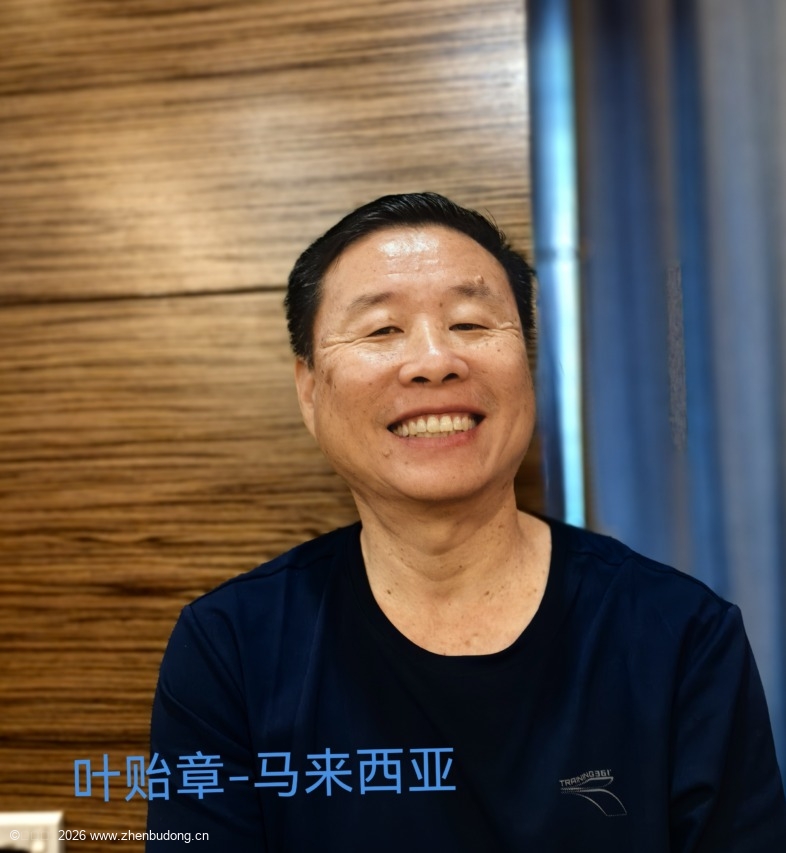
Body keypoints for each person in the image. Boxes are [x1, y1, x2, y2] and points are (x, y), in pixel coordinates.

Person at [147, 192, 786, 851]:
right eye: (382, 329)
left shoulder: (681, 634)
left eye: (471, 323)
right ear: (310, 391)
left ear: (528, 365)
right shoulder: (230, 648)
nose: (435, 360)